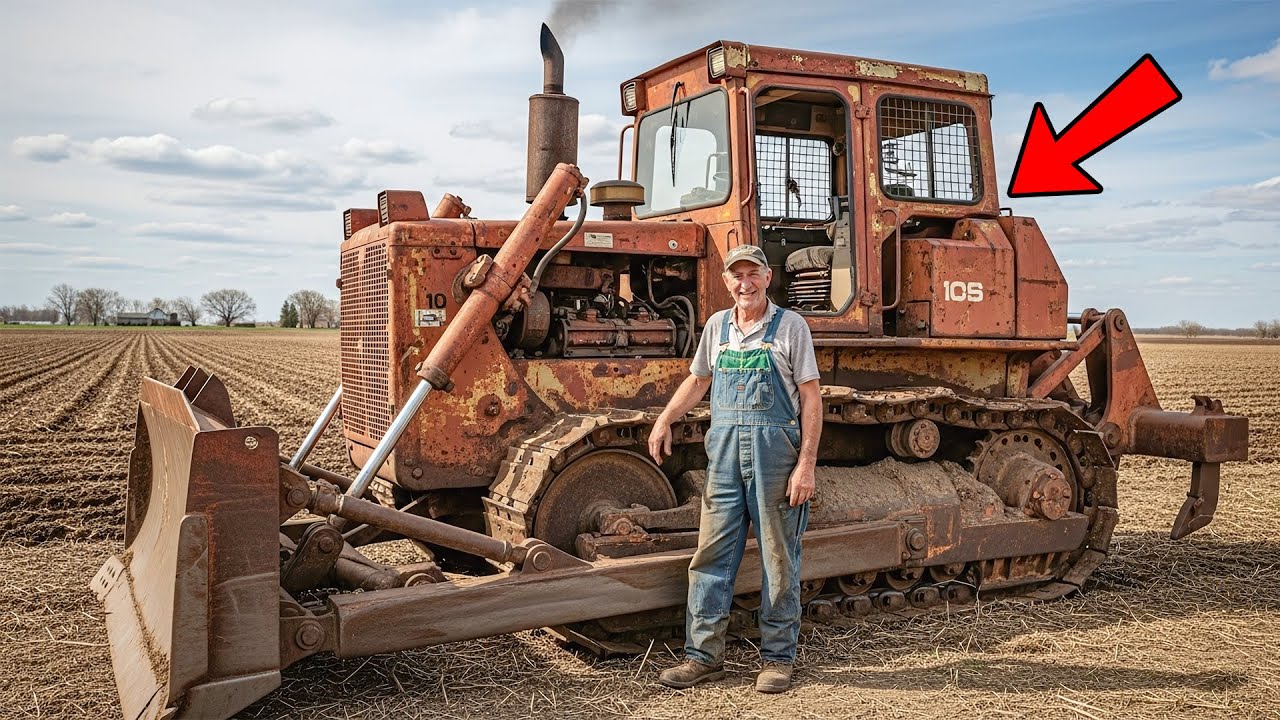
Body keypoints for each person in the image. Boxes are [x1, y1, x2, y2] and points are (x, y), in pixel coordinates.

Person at [648, 244, 822, 694]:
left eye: (752, 274)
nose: (744, 283)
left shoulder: (791, 327)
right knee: (710, 557)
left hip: (774, 457)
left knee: (778, 559)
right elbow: (699, 379)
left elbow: (810, 398)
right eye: (736, 275)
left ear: (767, 278)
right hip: (724, 457)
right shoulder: (717, 326)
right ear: (726, 281)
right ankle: (703, 658)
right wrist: (666, 418)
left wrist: (805, 465)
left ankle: (778, 659)